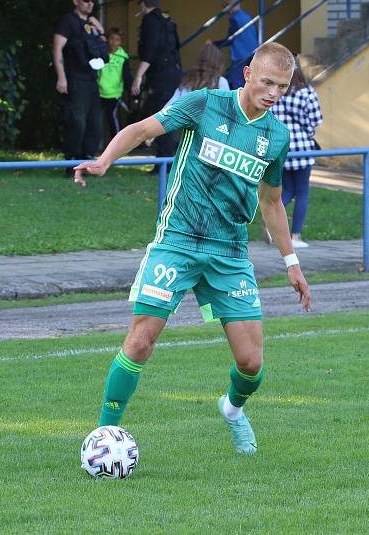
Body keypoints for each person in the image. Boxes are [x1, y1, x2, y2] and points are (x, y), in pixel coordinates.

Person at [74, 42, 311, 456]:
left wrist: (291, 262)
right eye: (268, 82)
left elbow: (272, 203)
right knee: (141, 340)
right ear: (248, 74)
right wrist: (104, 159)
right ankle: (102, 436)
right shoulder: (205, 104)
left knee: (252, 366)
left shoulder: (276, 135)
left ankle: (233, 410)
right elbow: (142, 129)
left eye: (282, 86)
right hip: (178, 241)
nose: (273, 93)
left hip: (230, 253)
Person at [270, 59, 323, 248]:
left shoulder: (277, 92)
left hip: (281, 148)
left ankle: (272, 228)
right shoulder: (306, 92)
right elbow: (316, 120)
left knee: (287, 190)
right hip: (302, 148)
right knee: (302, 193)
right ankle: (295, 236)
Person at [53, 0, 106, 171]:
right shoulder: (68, 21)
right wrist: (61, 77)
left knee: (95, 123)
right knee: (77, 122)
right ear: (76, 1)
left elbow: (103, 49)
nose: (90, 4)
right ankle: (71, 161)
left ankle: (87, 159)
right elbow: (57, 49)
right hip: (75, 78)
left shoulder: (92, 24)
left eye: (92, 1)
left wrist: (101, 30)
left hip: (92, 80)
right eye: (86, 0)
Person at [132, 0, 182, 159]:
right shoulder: (167, 19)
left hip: (160, 75)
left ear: (142, 4)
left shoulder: (150, 21)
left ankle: (163, 160)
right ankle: (165, 158)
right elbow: (176, 47)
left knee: (160, 117)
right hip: (173, 72)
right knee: (167, 114)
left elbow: (150, 50)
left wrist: (138, 76)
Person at [164, 42, 230, 108]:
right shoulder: (220, 82)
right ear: (218, 64)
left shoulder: (188, 81)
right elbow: (228, 110)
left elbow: (168, 108)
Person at [216, 0, 259, 89]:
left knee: (237, 83)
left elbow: (230, 39)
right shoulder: (248, 16)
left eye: (227, 5)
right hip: (253, 54)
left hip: (240, 57)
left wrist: (215, 44)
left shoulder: (234, 18)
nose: (226, 9)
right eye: (225, 6)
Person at [98, 28, 132, 142]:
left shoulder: (123, 57)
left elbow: (126, 76)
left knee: (112, 119)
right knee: (96, 120)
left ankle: (117, 145)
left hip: (114, 93)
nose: (113, 42)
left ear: (120, 42)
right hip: (98, 91)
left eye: (117, 40)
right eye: (111, 39)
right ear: (107, 40)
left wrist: (130, 89)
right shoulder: (100, 53)